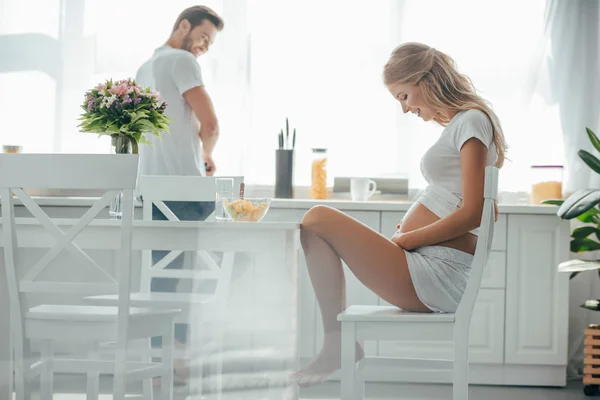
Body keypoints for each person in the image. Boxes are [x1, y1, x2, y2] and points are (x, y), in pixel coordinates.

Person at [290, 42, 507, 387]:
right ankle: (335, 342)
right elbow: (477, 208)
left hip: (436, 274)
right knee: (314, 225)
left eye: (404, 96)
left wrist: (409, 237)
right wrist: (417, 232)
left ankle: (335, 343)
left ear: (425, 80)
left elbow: (475, 213)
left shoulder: (472, 120)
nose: (405, 109)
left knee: (316, 219)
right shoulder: (463, 124)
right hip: (430, 265)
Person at [134, 5, 224, 384]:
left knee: (162, 280)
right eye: (203, 37)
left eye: (209, 43)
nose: (203, 47)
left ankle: (163, 362)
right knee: (206, 274)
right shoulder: (182, 60)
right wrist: (207, 154)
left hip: (150, 188)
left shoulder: (143, 68)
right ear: (183, 25)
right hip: (185, 187)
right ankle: (185, 361)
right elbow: (211, 122)